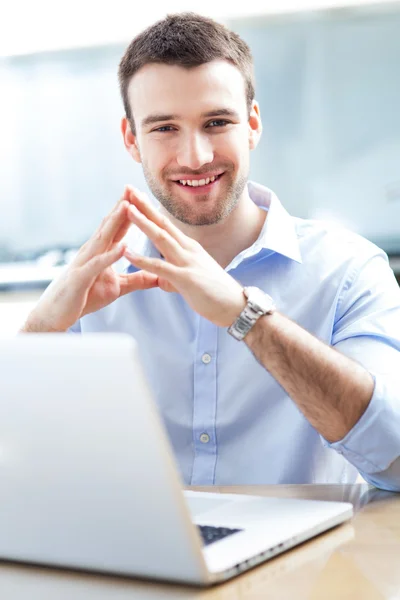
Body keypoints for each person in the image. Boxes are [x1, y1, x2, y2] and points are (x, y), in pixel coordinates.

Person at [21, 13, 400, 490]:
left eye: (216, 122)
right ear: (131, 140)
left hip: (319, 563)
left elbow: (393, 456)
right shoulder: (91, 287)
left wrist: (246, 316)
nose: (195, 156)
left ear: (253, 125)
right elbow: (20, 471)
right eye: (164, 129)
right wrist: (40, 330)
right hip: (143, 560)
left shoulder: (348, 271)